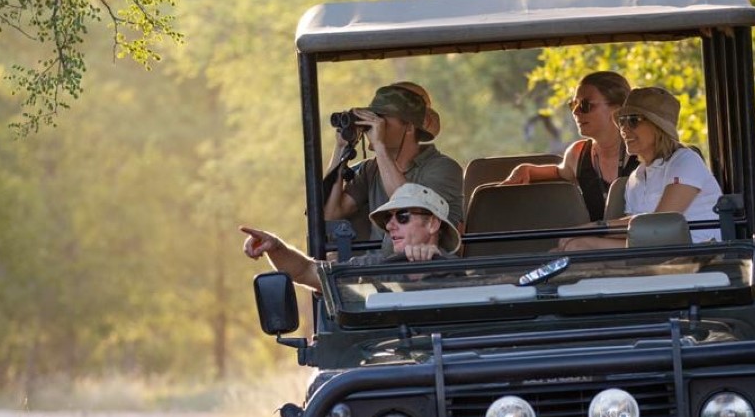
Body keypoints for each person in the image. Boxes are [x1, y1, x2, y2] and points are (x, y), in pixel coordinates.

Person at [557, 86, 724, 250]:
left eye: (633, 121)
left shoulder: (685, 161)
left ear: (658, 127)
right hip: (656, 254)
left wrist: (592, 229)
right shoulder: (636, 177)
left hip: (700, 258)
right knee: (571, 248)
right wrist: (585, 233)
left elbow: (658, 225)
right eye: (622, 121)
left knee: (578, 246)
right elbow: (637, 232)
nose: (624, 129)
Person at [242, 183, 460, 291]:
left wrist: (436, 265)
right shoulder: (372, 267)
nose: (391, 225)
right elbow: (306, 271)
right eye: (387, 219)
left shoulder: (467, 275)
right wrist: (275, 246)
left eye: (402, 216)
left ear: (433, 223)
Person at [324, 84, 464, 241]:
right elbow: (331, 216)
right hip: (376, 264)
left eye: (381, 119)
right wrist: (341, 147)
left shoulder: (444, 169)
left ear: (409, 128)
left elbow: (407, 209)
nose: (373, 125)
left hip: (418, 262)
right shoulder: (371, 169)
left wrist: (379, 144)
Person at [498, 71, 638, 222]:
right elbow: (559, 172)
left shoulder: (645, 151)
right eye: (573, 104)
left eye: (585, 105)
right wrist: (526, 169)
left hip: (644, 243)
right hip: (592, 244)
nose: (575, 112)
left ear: (617, 108)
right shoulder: (577, 154)